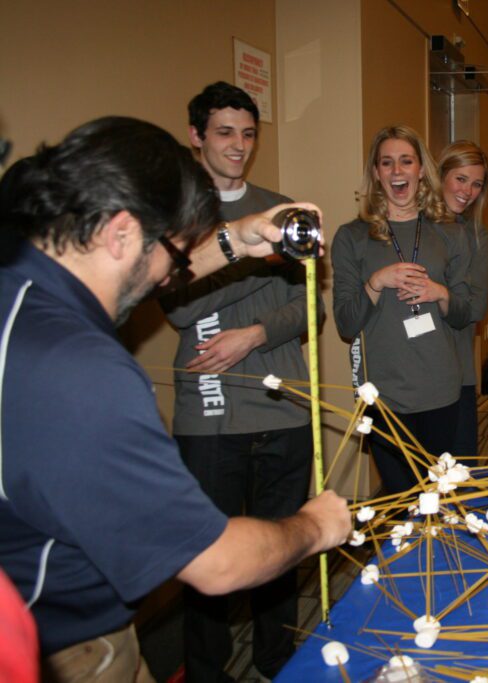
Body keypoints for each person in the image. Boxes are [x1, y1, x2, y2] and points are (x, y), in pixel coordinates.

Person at [0, 116, 351, 682]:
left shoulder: (19, 277)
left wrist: (242, 235)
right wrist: (314, 526)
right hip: (61, 645)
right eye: (173, 250)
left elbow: (160, 263)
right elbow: (216, 564)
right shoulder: (86, 373)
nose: (173, 274)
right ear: (119, 233)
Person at [159, 81, 323, 682]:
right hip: (211, 417)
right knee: (208, 560)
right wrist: (260, 260)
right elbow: (176, 308)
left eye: (248, 133)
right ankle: (206, 672)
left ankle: (278, 664)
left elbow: (310, 308)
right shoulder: (176, 210)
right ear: (197, 136)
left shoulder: (282, 208)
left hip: (283, 408)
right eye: (224, 132)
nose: (238, 145)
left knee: (281, 554)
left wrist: (250, 333)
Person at [332, 125, 471, 494]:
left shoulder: (449, 233)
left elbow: (463, 314)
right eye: (387, 163)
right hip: (383, 395)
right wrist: (377, 282)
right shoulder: (352, 236)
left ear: (421, 170)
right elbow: (346, 323)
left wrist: (438, 292)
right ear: (376, 173)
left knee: (437, 498)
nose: (397, 171)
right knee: (399, 499)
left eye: (406, 161)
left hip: (440, 391)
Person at [437, 141, 488, 459]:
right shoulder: (411, 230)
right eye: (461, 179)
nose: (468, 191)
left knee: (460, 476)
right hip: (412, 378)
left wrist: (441, 294)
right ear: (440, 175)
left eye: (477, 184)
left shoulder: (475, 235)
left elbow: (476, 308)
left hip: (458, 373)